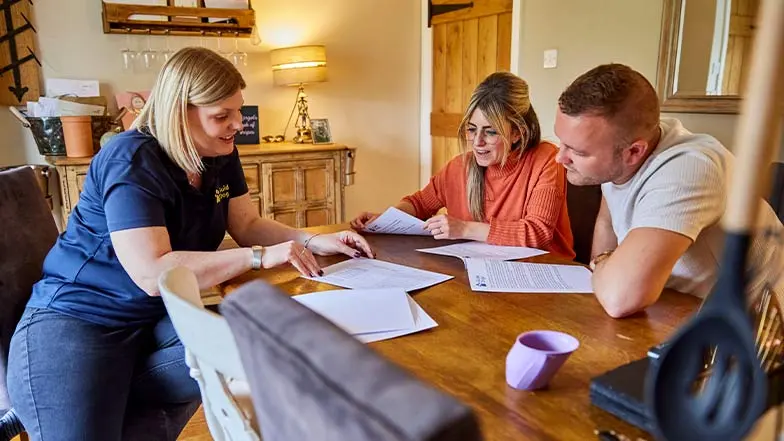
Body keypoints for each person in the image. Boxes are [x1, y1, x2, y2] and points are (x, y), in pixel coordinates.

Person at [6, 47, 373, 441]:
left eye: (238, 110)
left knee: (259, 343)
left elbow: (247, 224)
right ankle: (41, 397)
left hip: (154, 318)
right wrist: (259, 258)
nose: (238, 123)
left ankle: (82, 397)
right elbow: (151, 271)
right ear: (179, 112)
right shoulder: (130, 159)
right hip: (81, 318)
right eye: (222, 116)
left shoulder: (218, 153)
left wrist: (312, 241)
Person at [554, 63, 784, 318]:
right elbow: (607, 222)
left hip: (759, 331)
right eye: (562, 142)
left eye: (577, 151)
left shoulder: (688, 169)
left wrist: (602, 266)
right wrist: (605, 267)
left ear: (634, 152)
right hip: (682, 307)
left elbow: (620, 298)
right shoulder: (625, 143)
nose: (559, 157)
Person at [352, 72, 575, 257]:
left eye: (490, 132)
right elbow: (419, 204)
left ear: (517, 133)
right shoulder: (460, 166)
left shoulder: (547, 159)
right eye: (471, 129)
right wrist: (386, 220)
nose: (477, 142)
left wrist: (464, 228)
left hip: (543, 277)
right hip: (482, 273)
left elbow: (537, 234)